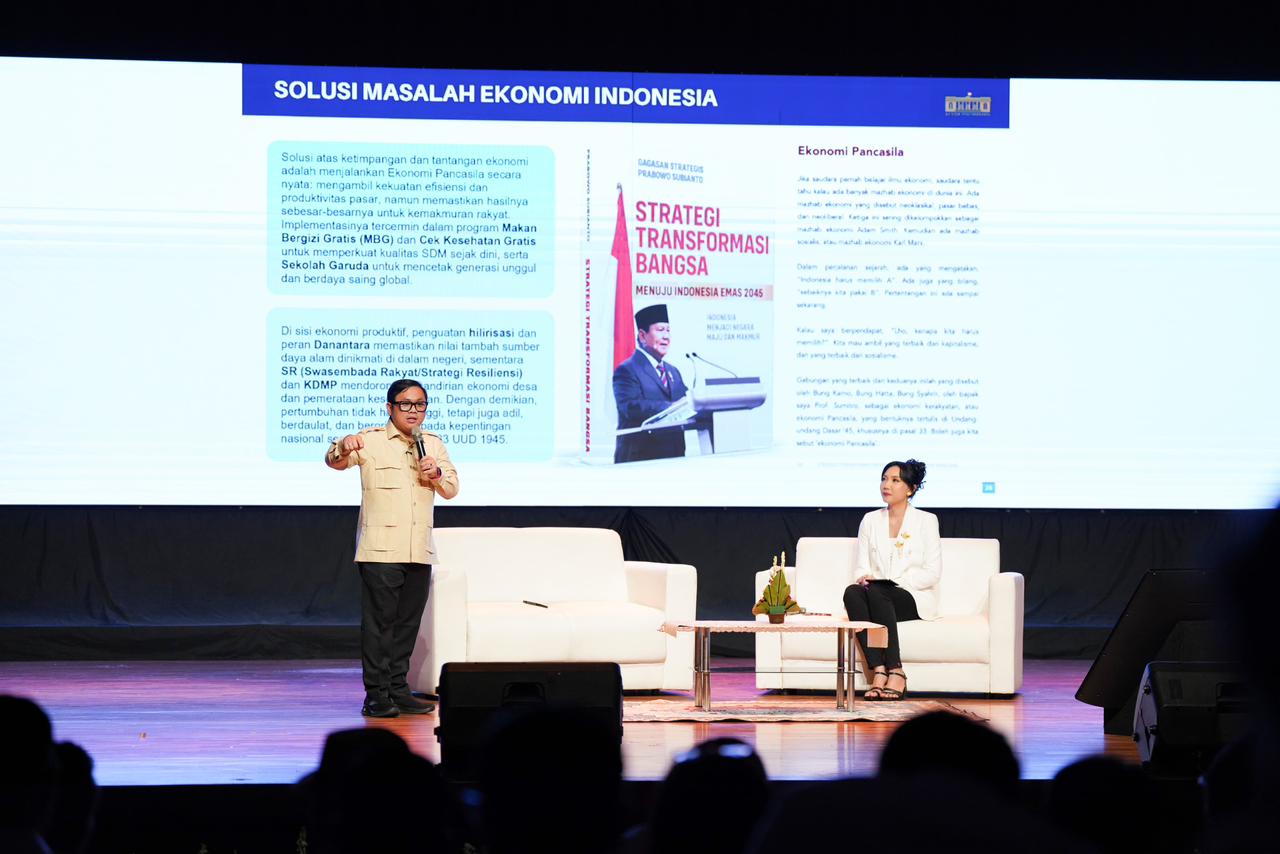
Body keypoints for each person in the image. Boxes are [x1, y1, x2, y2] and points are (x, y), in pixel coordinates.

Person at [325, 378, 459, 718]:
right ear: (390, 407)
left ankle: (398, 690)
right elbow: (334, 461)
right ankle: (376, 695)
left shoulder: (432, 443)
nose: (414, 411)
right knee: (380, 626)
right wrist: (343, 445)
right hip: (380, 551)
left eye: (420, 404)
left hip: (418, 549)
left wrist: (436, 472)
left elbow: (451, 489)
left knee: (407, 625)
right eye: (405, 404)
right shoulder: (369, 441)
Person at [842, 459, 941, 700]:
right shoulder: (870, 520)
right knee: (852, 592)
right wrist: (864, 578)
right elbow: (861, 566)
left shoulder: (926, 521)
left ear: (910, 489)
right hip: (878, 594)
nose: (886, 485)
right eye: (884, 479)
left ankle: (896, 670)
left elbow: (932, 572)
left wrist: (893, 583)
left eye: (895, 480)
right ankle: (878, 670)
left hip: (912, 597)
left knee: (880, 591)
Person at [613, 304, 689, 463]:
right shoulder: (626, 370)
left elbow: (686, 402)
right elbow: (630, 407)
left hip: (674, 457)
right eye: (660, 330)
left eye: (668, 330)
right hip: (639, 457)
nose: (666, 336)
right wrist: (671, 407)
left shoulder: (673, 371)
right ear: (642, 335)